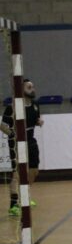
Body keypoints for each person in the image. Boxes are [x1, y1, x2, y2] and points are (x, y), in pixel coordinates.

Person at [1, 79, 42, 216]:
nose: (33, 89)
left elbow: (36, 119)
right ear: (22, 90)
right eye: (29, 87)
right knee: (17, 173)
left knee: (34, 171)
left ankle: (25, 196)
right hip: (17, 143)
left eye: (33, 86)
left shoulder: (35, 105)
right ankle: (14, 205)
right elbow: (2, 125)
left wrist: (39, 121)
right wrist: (12, 135)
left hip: (30, 140)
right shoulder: (13, 106)